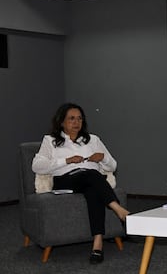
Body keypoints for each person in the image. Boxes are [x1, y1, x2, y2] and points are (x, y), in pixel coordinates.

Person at [31, 102, 130, 264]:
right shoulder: (50, 141)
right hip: (65, 180)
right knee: (91, 175)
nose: (76, 122)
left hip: (92, 180)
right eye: (71, 119)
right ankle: (118, 209)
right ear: (61, 122)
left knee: (93, 190)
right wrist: (66, 160)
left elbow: (113, 166)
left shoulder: (93, 140)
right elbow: (37, 166)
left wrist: (103, 158)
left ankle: (97, 244)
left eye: (79, 119)